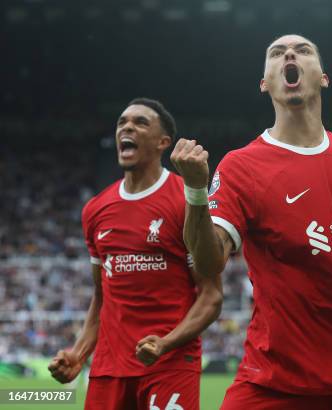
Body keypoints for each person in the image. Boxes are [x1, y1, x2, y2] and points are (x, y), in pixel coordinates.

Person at [170, 34, 332, 410]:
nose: (289, 53)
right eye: (276, 53)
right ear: (265, 84)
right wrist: (195, 191)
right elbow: (209, 264)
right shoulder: (242, 167)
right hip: (276, 379)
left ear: (323, 76)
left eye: (303, 50)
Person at [48, 98, 223, 410]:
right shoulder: (96, 210)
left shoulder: (185, 200)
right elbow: (101, 297)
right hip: (109, 368)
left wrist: (166, 342)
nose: (127, 127)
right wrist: (79, 351)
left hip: (169, 364)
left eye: (140, 122)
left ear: (162, 143)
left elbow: (210, 296)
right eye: (122, 123)